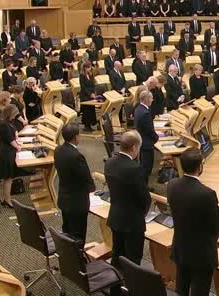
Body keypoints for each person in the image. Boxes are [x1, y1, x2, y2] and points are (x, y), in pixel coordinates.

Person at [168, 149, 219, 296]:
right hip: (201, 255)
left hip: (180, 247)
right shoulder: (207, 194)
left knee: (181, 289)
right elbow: (216, 227)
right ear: (200, 167)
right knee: (199, 292)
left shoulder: (172, 185)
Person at [105, 130, 150, 268]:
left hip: (115, 217)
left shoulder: (110, 162)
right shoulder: (135, 169)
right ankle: (131, 289)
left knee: (117, 255)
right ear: (134, 147)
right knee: (133, 262)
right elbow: (144, 199)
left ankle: (115, 289)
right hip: (132, 223)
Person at [54, 124, 95, 247]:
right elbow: (86, 178)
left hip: (64, 198)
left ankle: (68, 258)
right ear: (75, 137)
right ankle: (78, 262)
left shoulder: (58, 150)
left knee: (67, 233)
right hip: (77, 203)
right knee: (78, 236)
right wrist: (92, 186)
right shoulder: (76, 156)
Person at [0, 104, 22, 208]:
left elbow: (13, 133)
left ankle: (6, 198)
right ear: (9, 113)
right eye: (14, 114)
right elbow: (9, 139)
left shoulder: (9, 122)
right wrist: (18, 146)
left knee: (8, 178)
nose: (15, 116)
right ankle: (8, 200)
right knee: (8, 178)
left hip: (9, 151)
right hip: (5, 153)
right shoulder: (3, 124)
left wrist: (16, 137)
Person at [134, 90, 158, 185]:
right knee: (146, 167)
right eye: (151, 98)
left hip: (141, 140)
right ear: (147, 99)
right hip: (146, 143)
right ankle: (144, 187)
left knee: (144, 165)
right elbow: (149, 130)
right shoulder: (145, 113)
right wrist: (156, 138)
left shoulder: (138, 108)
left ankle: (144, 185)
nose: (152, 100)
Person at [79, 63, 97, 131]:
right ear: (85, 68)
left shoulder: (91, 75)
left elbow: (93, 84)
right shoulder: (82, 76)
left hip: (91, 95)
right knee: (87, 111)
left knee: (91, 110)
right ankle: (87, 126)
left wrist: (93, 93)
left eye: (90, 67)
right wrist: (90, 94)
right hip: (85, 95)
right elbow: (83, 87)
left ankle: (90, 124)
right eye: (88, 67)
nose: (90, 69)